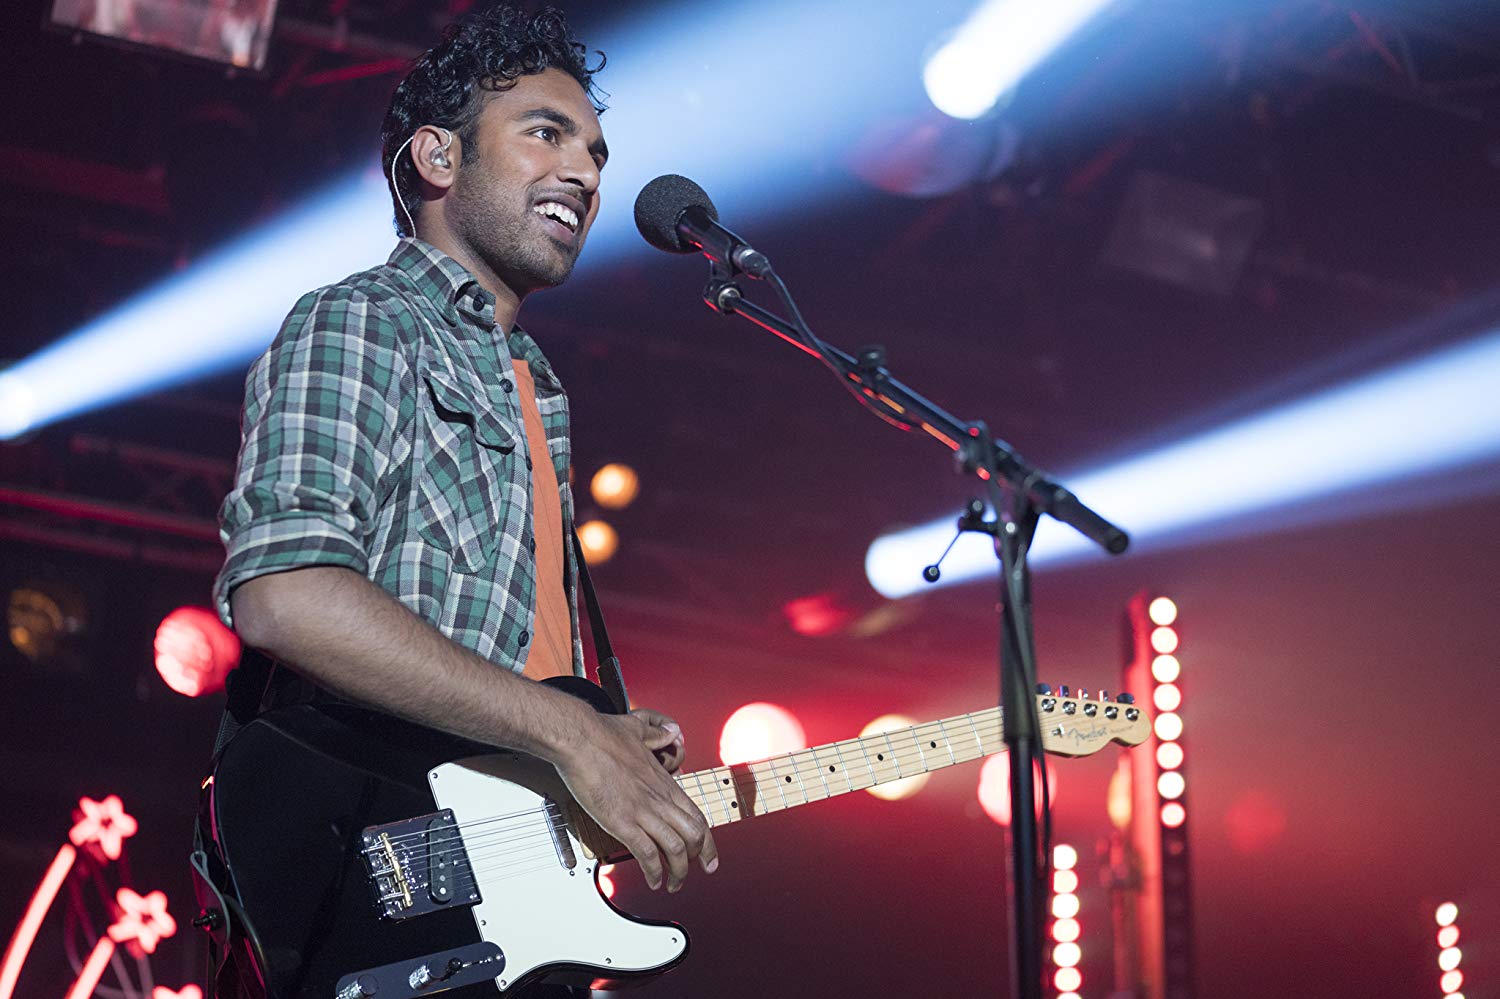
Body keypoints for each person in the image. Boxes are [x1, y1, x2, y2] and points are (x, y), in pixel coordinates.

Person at [212, 7, 717, 991]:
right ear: (438, 157)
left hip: (500, 921)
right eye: (547, 133)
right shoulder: (365, 321)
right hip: (375, 895)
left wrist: (597, 734)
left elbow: (516, 682)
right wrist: (568, 732)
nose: (585, 174)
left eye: (596, 154)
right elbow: (285, 593)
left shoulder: (539, 387)